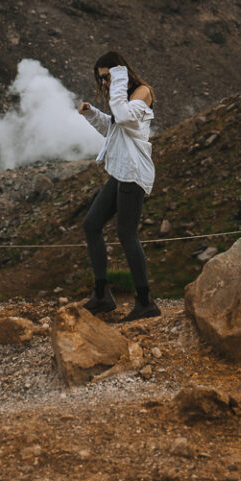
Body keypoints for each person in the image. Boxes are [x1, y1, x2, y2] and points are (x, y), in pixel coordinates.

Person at [75, 51, 159, 321]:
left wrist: (118, 78)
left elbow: (124, 118)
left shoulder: (142, 92)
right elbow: (114, 130)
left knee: (126, 234)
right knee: (91, 224)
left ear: (121, 72)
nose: (106, 82)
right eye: (102, 79)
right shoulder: (121, 100)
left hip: (133, 173)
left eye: (108, 76)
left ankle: (145, 302)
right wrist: (91, 113)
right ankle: (102, 295)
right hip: (122, 172)